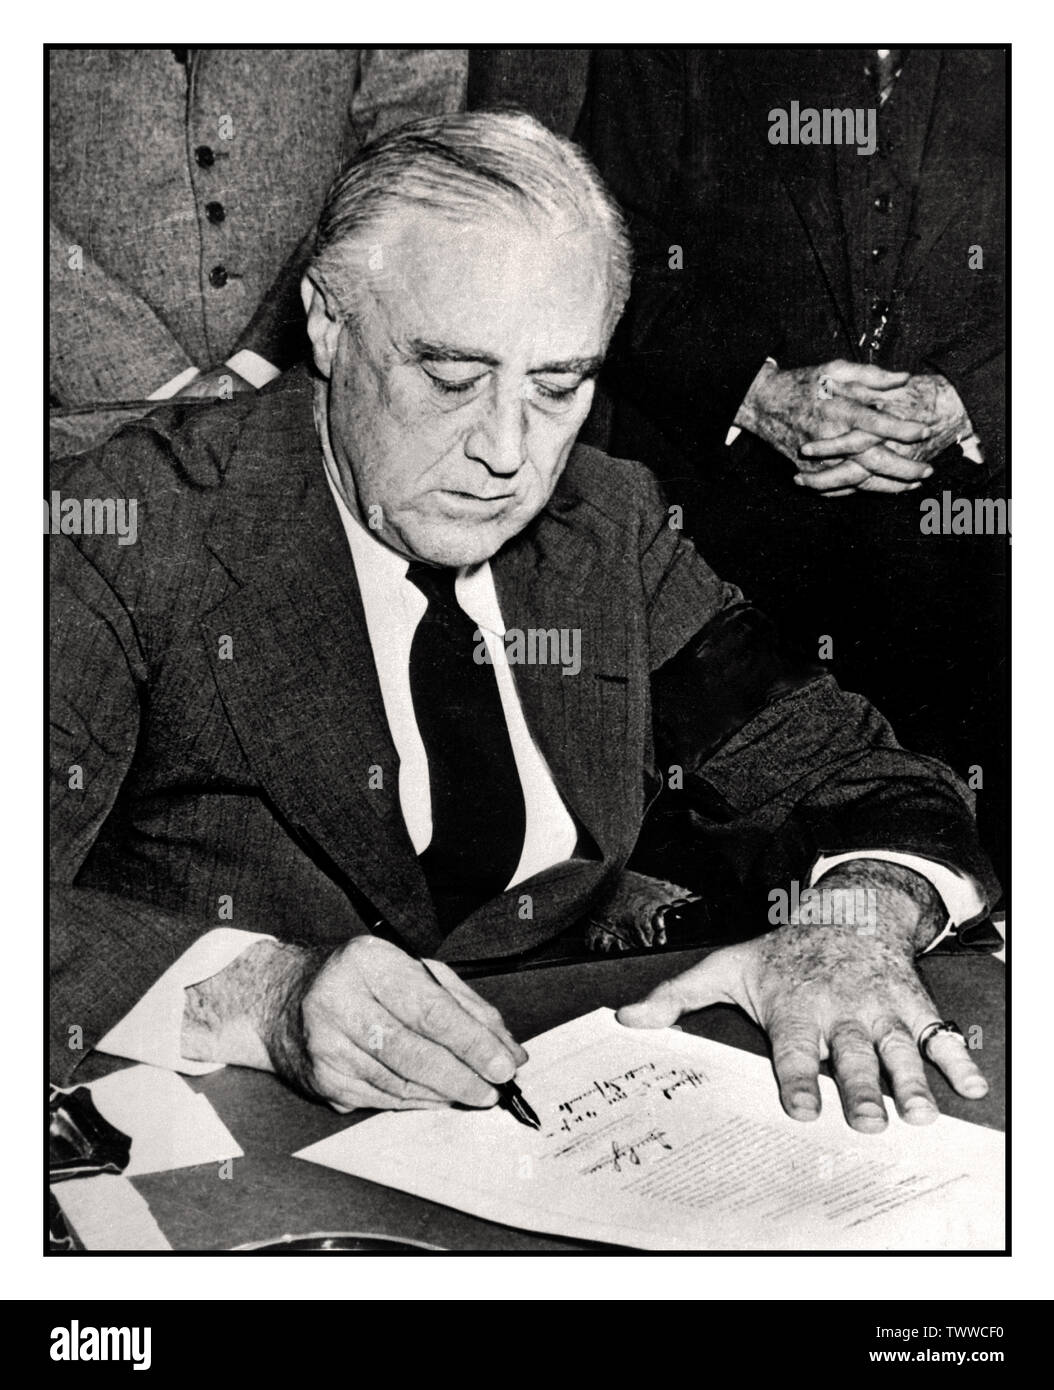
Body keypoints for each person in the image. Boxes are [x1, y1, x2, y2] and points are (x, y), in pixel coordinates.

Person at [51, 111, 996, 1134]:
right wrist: (256, 997)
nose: (507, 451)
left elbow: (856, 777)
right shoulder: (136, 526)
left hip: (586, 1129)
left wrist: (848, 923)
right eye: (452, 379)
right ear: (327, 320)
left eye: (557, 387)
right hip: (228, 1145)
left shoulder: (607, 523)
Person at [575, 47, 1008, 883]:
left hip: (984, 555)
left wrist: (976, 400)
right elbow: (594, 239)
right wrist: (755, 392)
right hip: (714, 546)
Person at [50, 46, 467, 458]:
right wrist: (150, 382)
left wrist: (262, 359)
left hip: (322, 398)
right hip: (87, 422)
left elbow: (410, 139)